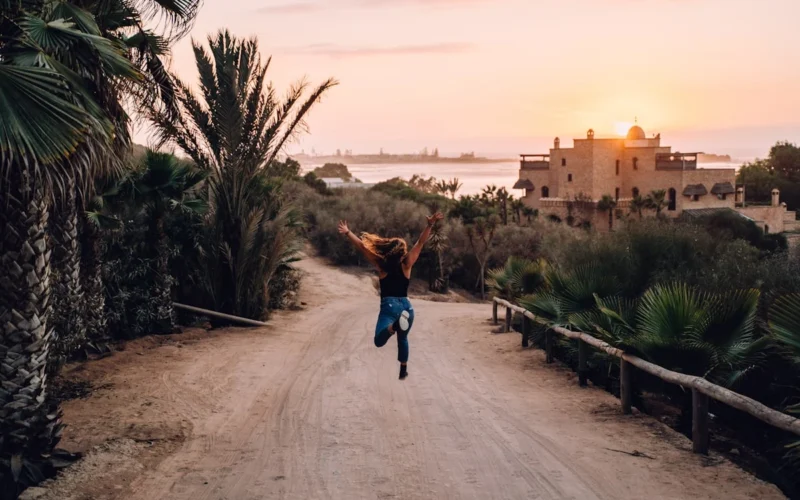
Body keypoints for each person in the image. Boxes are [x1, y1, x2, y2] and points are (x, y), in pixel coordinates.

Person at [338, 213, 444, 380]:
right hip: (406, 306)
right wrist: (430, 225)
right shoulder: (407, 264)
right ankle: (403, 370)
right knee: (403, 339)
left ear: (388, 250)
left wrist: (348, 232)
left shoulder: (382, 264)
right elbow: (421, 242)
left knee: (379, 341)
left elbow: (362, 247)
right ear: (402, 252)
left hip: (389, 307)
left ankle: (392, 327)